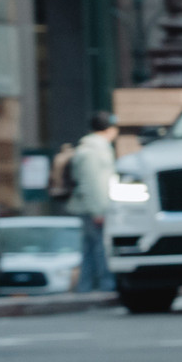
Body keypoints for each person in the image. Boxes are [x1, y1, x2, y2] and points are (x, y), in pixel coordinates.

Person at [66, 112, 118, 294]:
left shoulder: (91, 148)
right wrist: (98, 211)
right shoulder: (94, 151)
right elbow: (90, 184)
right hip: (95, 209)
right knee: (100, 247)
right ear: (109, 129)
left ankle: (85, 287)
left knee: (89, 248)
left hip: (92, 207)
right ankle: (105, 285)